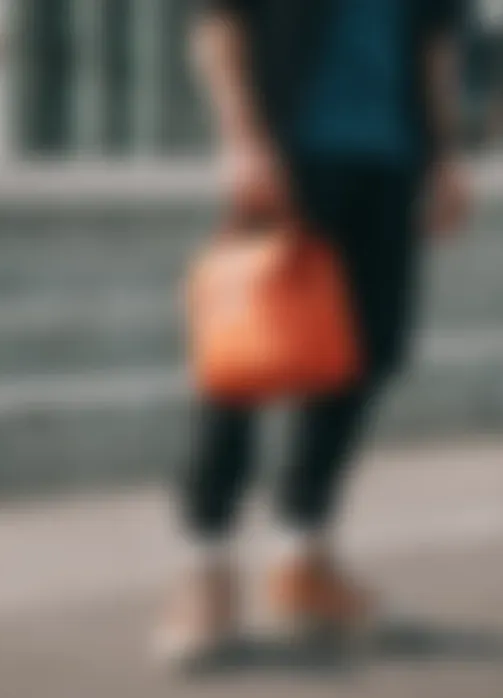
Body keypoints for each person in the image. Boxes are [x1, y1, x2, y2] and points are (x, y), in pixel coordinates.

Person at [155, 0, 471, 663]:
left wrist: (445, 159)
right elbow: (217, 23)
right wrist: (241, 140)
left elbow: (437, 43)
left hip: (390, 160)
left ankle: (302, 557)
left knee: (367, 355)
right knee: (239, 362)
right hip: (289, 150)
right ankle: (205, 566)